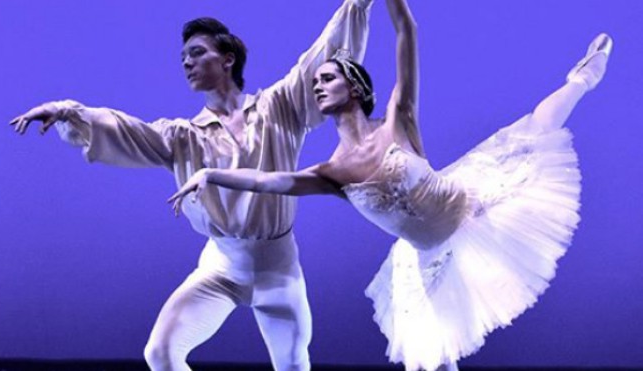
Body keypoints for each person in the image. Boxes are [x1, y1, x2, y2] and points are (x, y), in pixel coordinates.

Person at [167, 0, 613, 370]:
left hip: (472, 212)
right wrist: (209, 174)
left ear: (355, 86)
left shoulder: (399, 118)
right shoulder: (333, 171)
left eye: (327, 78)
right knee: (433, 359)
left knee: (535, 129)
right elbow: (269, 181)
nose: (317, 87)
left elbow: (406, 33)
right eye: (316, 81)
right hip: (426, 259)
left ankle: (581, 79)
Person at [9, 1, 373, 370]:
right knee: (160, 352)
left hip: (278, 268)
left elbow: (323, 56)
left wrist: (357, 4)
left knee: (293, 363)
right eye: (183, 56)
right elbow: (126, 129)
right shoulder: (183, 136)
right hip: (222, 266)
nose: (186, 62)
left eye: (197, 53)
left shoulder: (277, 107)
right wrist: (67, 111)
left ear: (227, 58)